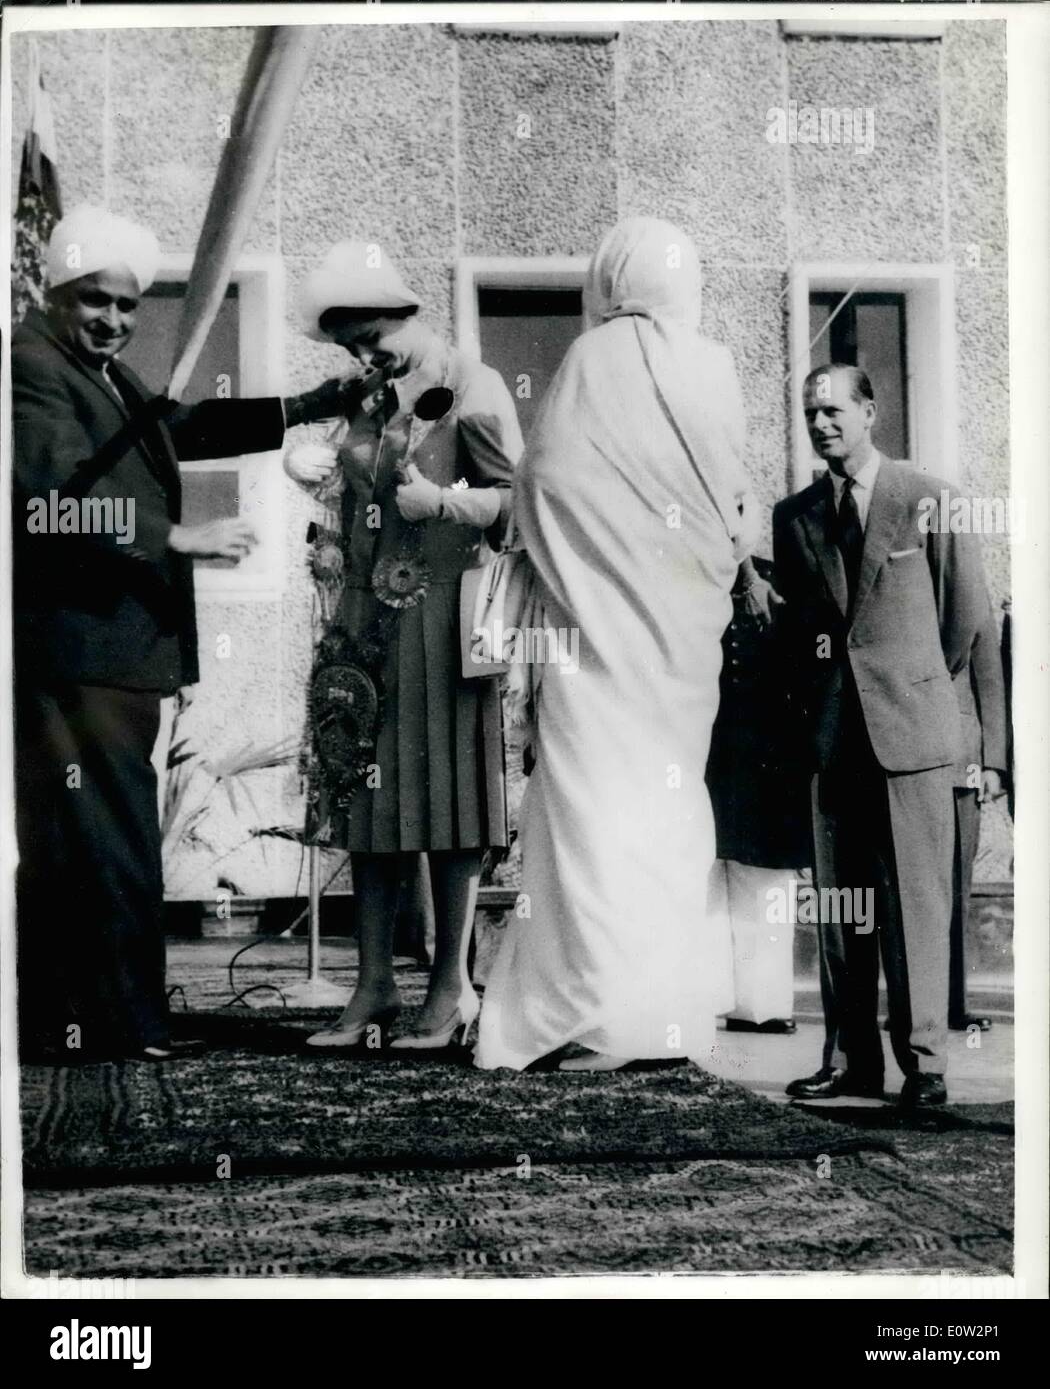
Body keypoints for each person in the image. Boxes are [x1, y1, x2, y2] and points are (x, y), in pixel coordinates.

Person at [13, 205, 347, 1062]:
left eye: (128, 307)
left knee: (91, 841)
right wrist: (173, 537)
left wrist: (306, 405)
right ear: (55, 294)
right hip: (81, 654)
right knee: (102, 843)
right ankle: (114, 1027)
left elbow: (180, 429)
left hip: (114, 655)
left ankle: (71, 1023)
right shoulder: (28, 368)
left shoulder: (104, 377)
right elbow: (47, 499)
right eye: (96, 301)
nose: (115, 322)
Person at [474, 217, 759, 1073]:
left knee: (596, 815)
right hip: (679, 645)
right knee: (668, 814)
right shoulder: (712, 365)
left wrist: (587, 566)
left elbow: (547, 480)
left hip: (597, 646)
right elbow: (731, 502)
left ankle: (596, 1012)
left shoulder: (592, 362)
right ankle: (665, 1012)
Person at [283, 241, 522, 1051]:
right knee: (366, 802)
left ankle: (450, 990)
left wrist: (445, 504)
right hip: (362, 618)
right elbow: (350, 493)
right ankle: (374, 985)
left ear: (409, 313)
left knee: (451, 806)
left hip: (447, 615)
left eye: (373, 336)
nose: (363, 354)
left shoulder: (474, 387)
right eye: (350, 343)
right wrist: (313, 478)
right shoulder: (361, 395)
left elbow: (522, 506)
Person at [774, 364, 992, 1109]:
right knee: (842, 907)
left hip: (913, 738)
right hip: (834, 742)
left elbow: (965, 621)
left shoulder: (927, 499)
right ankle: (850, 1059)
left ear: (871, 412)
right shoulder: (795, 515)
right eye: (811, 413)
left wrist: (918, 691)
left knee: (915, 909)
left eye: (834, 409)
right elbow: (800, 632)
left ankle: (924, 1063)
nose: (821, 423)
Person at [706, 556, 812, 1035]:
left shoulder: (778, 582)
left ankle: (763, 1003)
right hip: (702, 746)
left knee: (765, 879)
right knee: (702, 873)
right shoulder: (687, 573)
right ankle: (706, 996)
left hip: (768, 757)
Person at [948, 611, 1008, 1031]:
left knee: (955, 887)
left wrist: (992, 764)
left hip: (960, 762)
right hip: (889, 758)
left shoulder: (964, 580)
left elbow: (989, 678)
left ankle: (953, 1003)